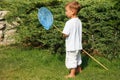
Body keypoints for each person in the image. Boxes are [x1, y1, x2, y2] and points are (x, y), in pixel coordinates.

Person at [62, 1, 82, 78]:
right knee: (77, 57)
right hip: (78, 45)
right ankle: (79, 69)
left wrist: (63, 35)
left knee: (72, 59)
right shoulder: (79, 21)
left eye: (66, 11)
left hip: (71, 45)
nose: (65, 13)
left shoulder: (69, 22)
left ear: (72, 12)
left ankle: (72, 74)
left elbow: (65, 34)